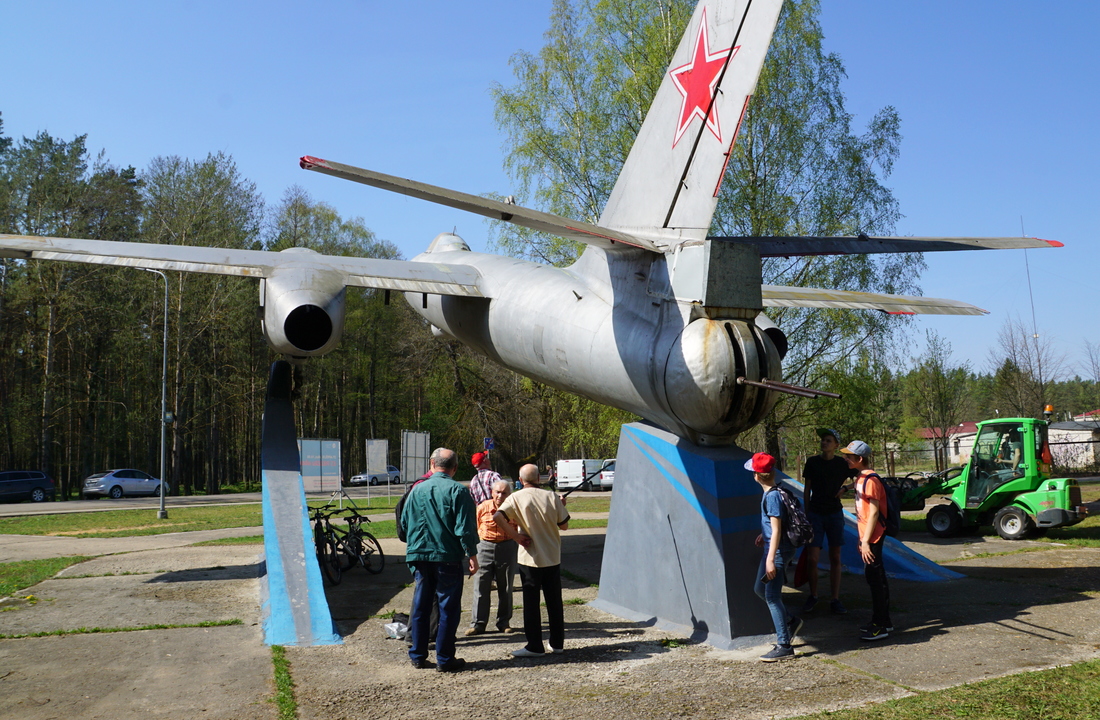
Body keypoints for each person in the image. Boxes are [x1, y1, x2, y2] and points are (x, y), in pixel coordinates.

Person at [401, 447, 480, 672]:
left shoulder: (416, 490)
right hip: (447, 556)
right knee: (448, 608)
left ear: (431, 464)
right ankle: (445, 659)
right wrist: (472, 554)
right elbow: (465, 528)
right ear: (454, 468)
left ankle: (417, 655)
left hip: (419, 555)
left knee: (421, 605)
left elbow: (404, 524)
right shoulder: (458, 491)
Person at [494, 463, 570, 658]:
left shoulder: (515, 497)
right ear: (540, 479)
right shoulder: (551, 497)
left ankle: (535, 645)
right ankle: (557, 643)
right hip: (552, 556)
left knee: (531, 603)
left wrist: (516, 537)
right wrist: (561, 506)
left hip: (529, 558)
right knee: (554, 602)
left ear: (520, 480)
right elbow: (564, 526)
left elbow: (498, 516)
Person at [749, 452, 802, 662]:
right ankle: (789, 621)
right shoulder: (777, 490)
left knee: (772, 596)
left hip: (777, 551)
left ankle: (784, 645)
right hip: (775, 548)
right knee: (759, 589)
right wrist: (765, 534)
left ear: (757, 475)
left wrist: (771, 558)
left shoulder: (771, 496)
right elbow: (774, 526)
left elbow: (778, 528)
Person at [839, 440, 893, 641]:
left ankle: (880, 626)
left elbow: (874, 513)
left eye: (849, 456)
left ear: (859, 459)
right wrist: (845, 488)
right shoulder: (861, 477)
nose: (845, 459)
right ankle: (884, 621)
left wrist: (866, 541)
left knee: (875, 580)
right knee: (876, 577)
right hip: (868, 536)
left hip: (873, 536)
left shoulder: (871, 480)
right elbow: (858, 484)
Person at [801, 428, 852, 615]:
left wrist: (846, 488)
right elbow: (807, 489)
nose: (824, 443)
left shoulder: (842, 463)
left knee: (835, 557)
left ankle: (835, 599)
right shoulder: (813, 462)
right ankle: (813, 595)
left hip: (834, 514)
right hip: (815, 514)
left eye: (828, 440)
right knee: (812, 558)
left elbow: (863, 476)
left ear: (836, 445)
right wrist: (806, 514)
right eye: (823, 440)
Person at [465, 479, 519, 636]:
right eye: (498, 492)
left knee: (506, 587)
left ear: (510, 494)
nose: (500, 496)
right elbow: (474, 528)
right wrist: (471, 553)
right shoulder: (482, 507)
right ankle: (478, 624)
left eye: (504, 493)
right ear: (492, 492)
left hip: (507, 547)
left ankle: (504, 622)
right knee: (481, 586)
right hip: (484, 547)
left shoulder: (514, 509)